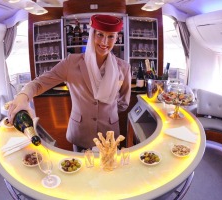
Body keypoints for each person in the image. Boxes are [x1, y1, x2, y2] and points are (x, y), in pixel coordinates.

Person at [7, 14, 131, 152]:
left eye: (110, 36)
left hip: (109, 134)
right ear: (91, 34)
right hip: (81, 134)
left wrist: (108, 112)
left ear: (116, 37)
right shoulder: (71, 62)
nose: (104, 42)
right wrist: (23, 96)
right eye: (100, 34)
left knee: (109, 172)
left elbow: (124, 102)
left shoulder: (124, 68)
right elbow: (39, 83)